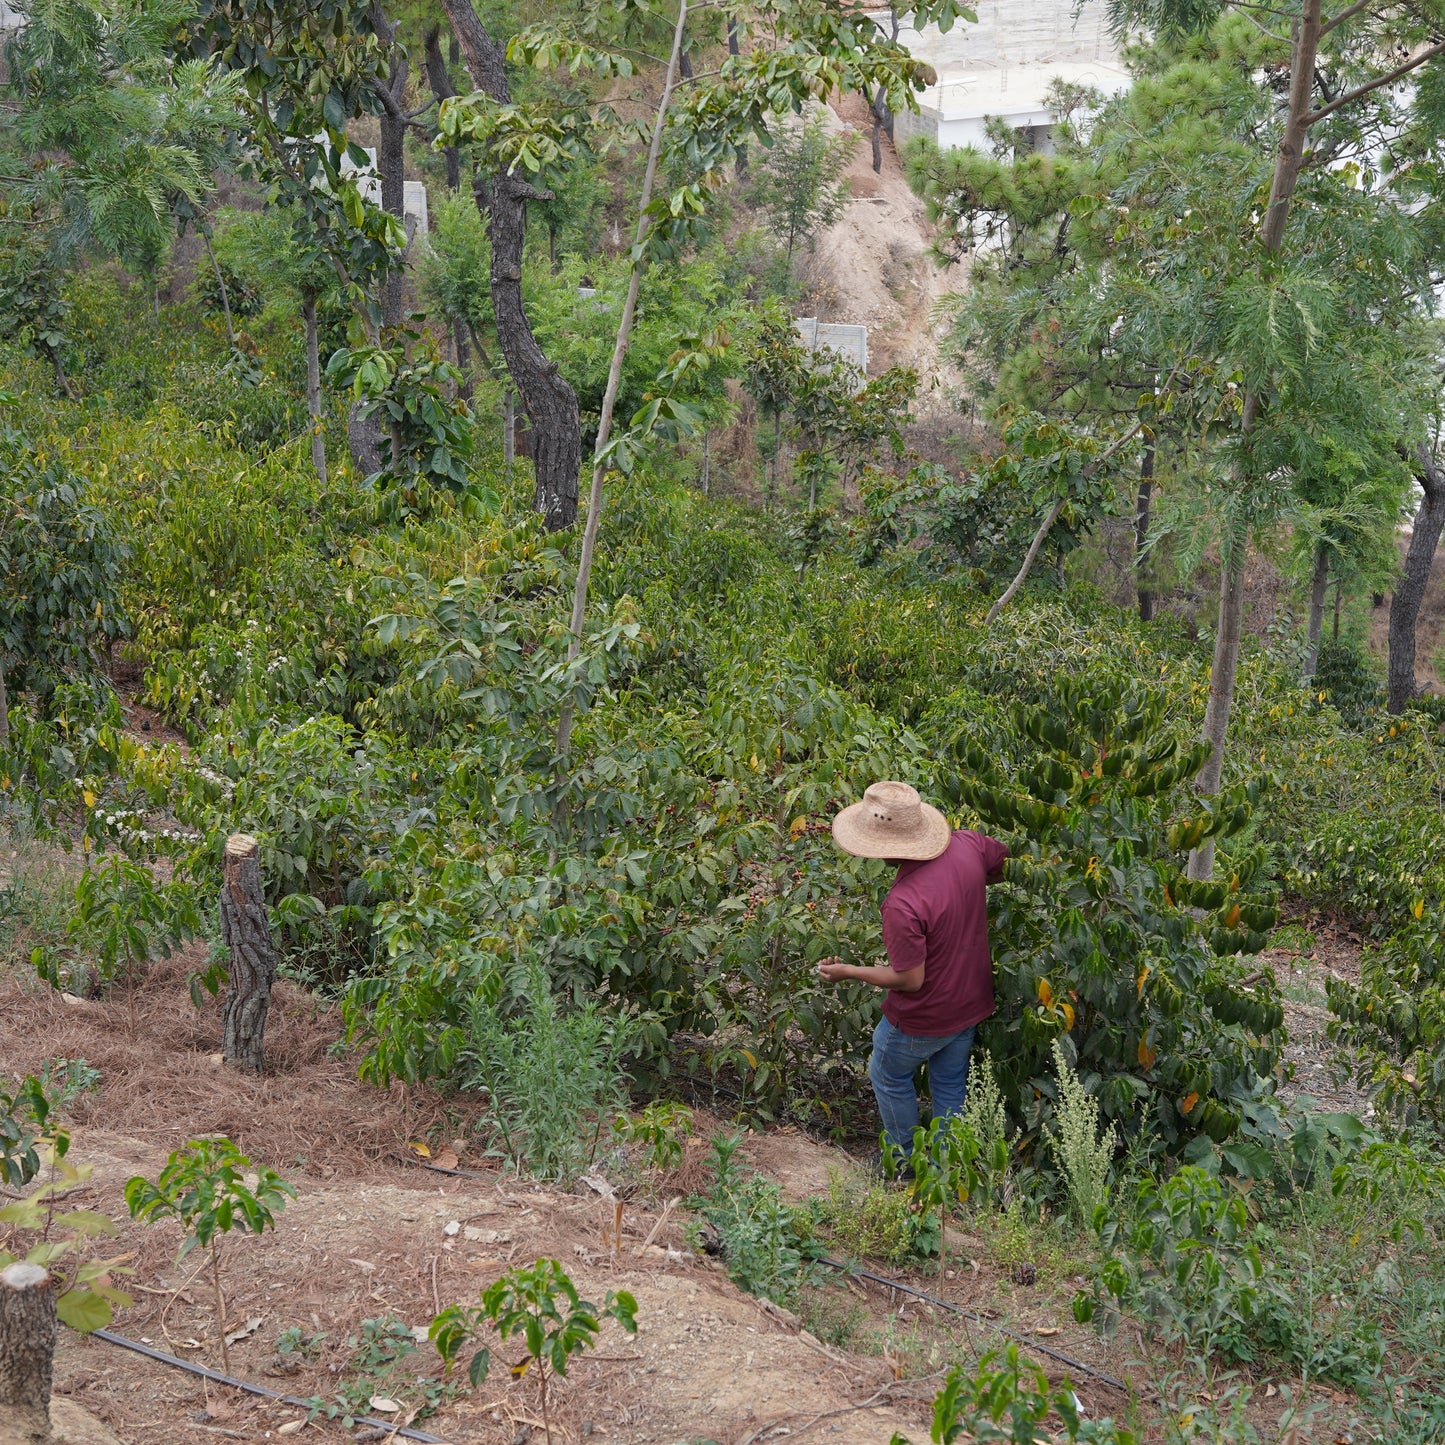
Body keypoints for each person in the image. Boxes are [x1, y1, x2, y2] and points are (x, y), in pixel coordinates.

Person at [818, 780, 1009, 1157]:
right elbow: (1003, 865)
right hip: (969, 1002)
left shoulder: (903, 903)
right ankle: (948, 1168)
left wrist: (850, 971)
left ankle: (906, 1162)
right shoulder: (968, 845)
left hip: (923, 1016)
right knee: (950, 1085)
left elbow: (910, 979)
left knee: (887, 1076)